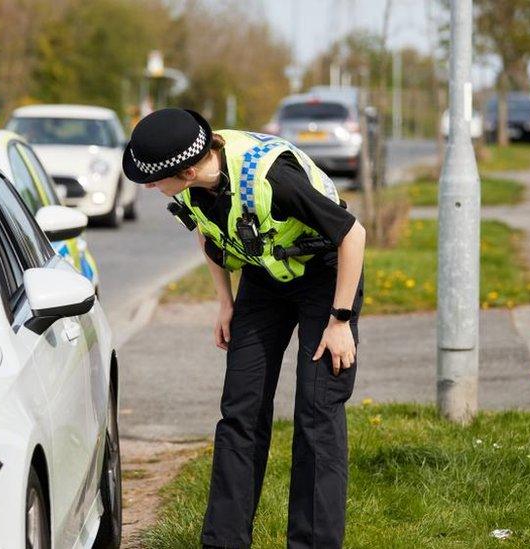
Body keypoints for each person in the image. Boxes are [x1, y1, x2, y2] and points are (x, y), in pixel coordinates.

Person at [122, 108, 365, 548]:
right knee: (241, 411)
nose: (146, 186)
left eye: (153, 179)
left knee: (317, 412)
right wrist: (225, 302)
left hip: (326, 274)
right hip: (265, 277)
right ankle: (224, 541)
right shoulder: (192, 187)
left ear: (190, 169)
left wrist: (340, 320)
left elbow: (353, 234)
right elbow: (207, 234)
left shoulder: (274, 179)